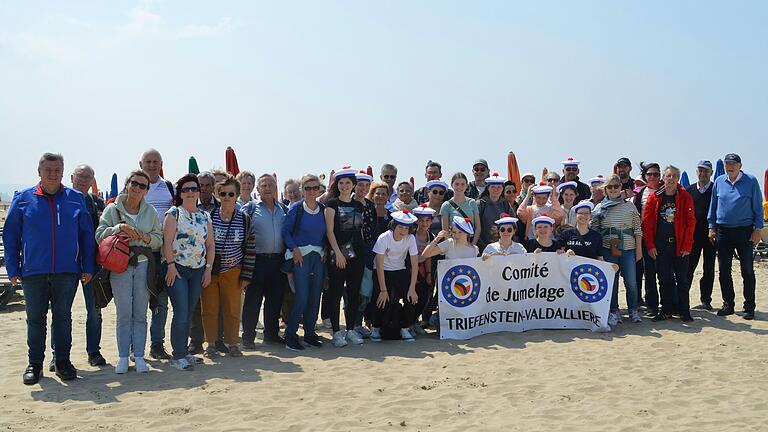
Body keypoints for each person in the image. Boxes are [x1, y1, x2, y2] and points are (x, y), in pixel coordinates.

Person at [4, 153, 96, 385]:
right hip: (33, 271)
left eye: (57, 170)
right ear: (40, 172)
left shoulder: (75, 198)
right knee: (35, 320)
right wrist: (13, 268)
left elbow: (86, 236)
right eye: (48, 170)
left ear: (63, 172)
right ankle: (34, 365)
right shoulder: (23, 198)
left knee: (63, 318)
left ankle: (62, 362)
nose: (52, 174)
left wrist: (87, 266)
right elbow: (11, 235)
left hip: (67, 271)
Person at [96, 170, 163, 373]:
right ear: (127, 184)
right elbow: (99, 235)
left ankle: (140, 355)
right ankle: (123, 356)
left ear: (146, 190)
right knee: (124, 313)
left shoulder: (150, 211)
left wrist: (144, 237)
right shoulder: (112, 209)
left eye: (142, 186)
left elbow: (158, 239)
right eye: (134, 183)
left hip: (143, 264)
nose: (137, 188)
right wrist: (119, 229)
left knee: (140, 313)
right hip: (120, 265)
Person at [55, 164, 106, 368]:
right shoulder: (60, 200)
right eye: (79, 176)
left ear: (92, 180)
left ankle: (93, 352)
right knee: (61, 312)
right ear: (71, 177)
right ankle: (57, 355)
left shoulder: (97, 203)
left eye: (87, 177)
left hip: (91, 264)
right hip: (65, 264)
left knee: (94, 311)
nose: (83, 180)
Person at [162, 174, 215, 371]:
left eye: (194, 189)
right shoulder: (174, 213)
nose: (191, 192)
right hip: (177, 269)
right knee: (181, 312)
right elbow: (167, 242)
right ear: (180, 194)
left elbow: (210, 245)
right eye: (186, 189)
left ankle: (184, 352)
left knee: (189, 311)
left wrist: (208, 269)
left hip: (198, 270)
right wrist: (170, 265)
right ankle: (177, 355)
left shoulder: (204, 216)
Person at [203, 176, 254, 358]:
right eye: (222, 193)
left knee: (232, 309)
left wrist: (246, 275)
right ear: (217, 194)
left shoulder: (244, 219)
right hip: (211, 271)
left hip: (234, 271)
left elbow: (250, 248)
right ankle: (210, 344)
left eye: (231, 194)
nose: (226, 197)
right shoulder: (209, 217)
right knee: (209, 308)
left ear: (237, 195)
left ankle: (233, 343)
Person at [708, 153, 763, 320]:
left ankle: (749, 307)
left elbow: (758, 207)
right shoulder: (719, 181)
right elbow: (714, 205)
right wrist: (712, 227)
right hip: (723, 231)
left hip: (745, 231)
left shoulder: (751, 181)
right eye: (727, 164)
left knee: (747, 270)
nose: (729, 166)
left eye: (733, 163)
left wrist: (758, 229)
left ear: (740, 165)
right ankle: (728, 304)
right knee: (724, 270)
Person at [642, 165, 696, 322]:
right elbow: (647, 223)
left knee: (682, 279)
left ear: (677, 179)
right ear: (663, 179)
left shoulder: (685, 196)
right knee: (664, 279)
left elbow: (690, 222)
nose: (671, 179)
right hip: (661, 245)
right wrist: (650, 245)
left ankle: (684, 310)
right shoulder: (655, 197)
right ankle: (666, 310)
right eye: (668, 176)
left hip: (679, 245)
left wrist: (687, 245)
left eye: (674, 176)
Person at [241, 174, 289, 347]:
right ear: (258, 189)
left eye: (271, 185)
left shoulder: (284, 209)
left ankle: (271, 334)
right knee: (253, 300)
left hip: (278, 261)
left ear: (276, 188)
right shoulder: (250, 209)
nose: (267, 188)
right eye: (264, 185)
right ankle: (248, 337)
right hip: (257, 261)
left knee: (275, 299)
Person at [282, 175, 327, 351]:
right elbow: (286, 232)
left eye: (315, 188)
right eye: (307, 188)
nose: (311, 191)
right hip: (300, 257)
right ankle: (291, 335)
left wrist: (325, 247)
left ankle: (309, 333)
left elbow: (327, 232)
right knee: (302, 297)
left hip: (319, 257)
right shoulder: (296, 209)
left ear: (319, 190)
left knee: (316, 296)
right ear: (302, 190)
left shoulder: (323, 209)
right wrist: (294, 249)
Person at [592, 175, 643, 325]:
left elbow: (637, 229)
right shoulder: (599, 208)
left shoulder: (630, 206)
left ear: (621, 188)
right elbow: (594, 230)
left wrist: (639, 249)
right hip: (609, 248)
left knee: (631, 281)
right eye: (610, 187)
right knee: (612, 282)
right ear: (605, 189)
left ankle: (633, 309)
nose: (613, 189)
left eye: (616, 186)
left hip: (628, 248)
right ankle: (614, 310)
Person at [324, 167, 366, 347]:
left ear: (353, 185)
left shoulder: (359, 205)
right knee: (335, 293)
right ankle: (336, 332)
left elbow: (360, 231)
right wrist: (338, 253)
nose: (344, 186)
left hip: (357, 255)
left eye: (348, 183)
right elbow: (329, 231)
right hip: (338, 255)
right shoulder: (332, 204)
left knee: (353, 293)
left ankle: (350, 329)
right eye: (341, 183)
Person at [139, 149, 173, 360]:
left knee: (161, 302)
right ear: (141, 163)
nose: (152, 165)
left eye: (155, 162)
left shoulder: (170, 187)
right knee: (139, 302)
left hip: (162, 252)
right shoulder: (134, 186)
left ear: (161, 164)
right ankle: (136, 348)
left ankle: (157, 344)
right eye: (148, 162)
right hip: (139, 252)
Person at [370, 210, 420, 342]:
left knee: (411, 298)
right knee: (381, 299)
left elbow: (414, 265)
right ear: (394, 226)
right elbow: (379, 265)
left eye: (406, 228)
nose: (403, 231)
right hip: (383, 271)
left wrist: (412, 288)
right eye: (400, 227)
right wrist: (383, 290)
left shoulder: (410, 239)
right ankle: (375, 327)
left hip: (400, 270)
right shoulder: (384, 238)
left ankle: (404, 328)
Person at [686, 160, 716, 310]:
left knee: (708, 269)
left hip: (711, 235)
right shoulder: (689, 190)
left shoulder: (715, 189)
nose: (703, 174)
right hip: (693, 236)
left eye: (706, 171)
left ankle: (706, 301)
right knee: (689, 268)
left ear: (711, 172)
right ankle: (683, 298)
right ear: (696, 172)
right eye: (700, 170)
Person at [633, 162, 662, 315]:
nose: (652, 177)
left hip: (663, 237)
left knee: (665, 272)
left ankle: (668, 303)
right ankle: (652, 305)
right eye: (649, 174)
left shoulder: (666, 190)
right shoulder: (640, 193)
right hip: (644, 237)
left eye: (655, 174)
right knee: (648, 272)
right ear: (645, 176)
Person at [412, 204, 437, 334]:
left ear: (432, 221)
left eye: (427, 220)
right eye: (421, 220)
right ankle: (409, 323)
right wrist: (413, 275)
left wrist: (428, 273)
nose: (424, 223)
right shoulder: (411, 235)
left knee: (424, 297)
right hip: (410, 268)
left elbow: (428, 256)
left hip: (423, 268)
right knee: (411, 298)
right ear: (416, 220)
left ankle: (416, 322)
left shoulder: (431, 236)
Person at [440, 173, 482, 247]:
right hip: (453, 245)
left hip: (470, 243)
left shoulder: (472, 202)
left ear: (466, 186)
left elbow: (478, 227)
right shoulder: (446, 205)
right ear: (452, 185)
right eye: (457, 184)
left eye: (462, 184)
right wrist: (454, 247)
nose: (459, 187)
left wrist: (472, 245)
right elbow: (445, 231)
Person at [477, 172, 513, 252]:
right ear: (488, 188)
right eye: (493, 187)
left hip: (503, 247)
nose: (496, 190)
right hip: (484, 246)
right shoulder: (481, 204)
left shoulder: (505, 204)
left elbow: (512, 225)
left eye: (499, 187)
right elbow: (476, 226)